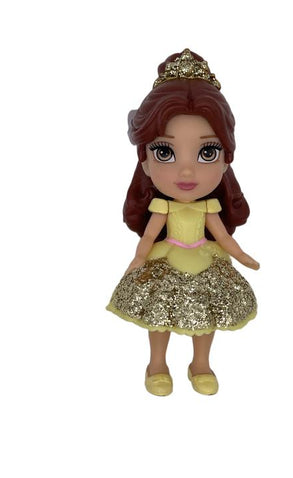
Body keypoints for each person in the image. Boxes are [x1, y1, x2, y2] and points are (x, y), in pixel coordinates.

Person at [106, 49, 259, 396]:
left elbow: (223, 237)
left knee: (207, 315)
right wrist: (138, 259)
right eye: (165, 153)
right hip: (167, 257)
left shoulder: (208, 206)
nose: (186, 172)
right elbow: (149, 237)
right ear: (145, 161)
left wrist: (242, 256)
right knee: (158, 315)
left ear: (226, 160)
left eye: (207, 152)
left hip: (205, 258)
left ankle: (200, 364)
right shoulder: (163, 206)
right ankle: (157, 364)